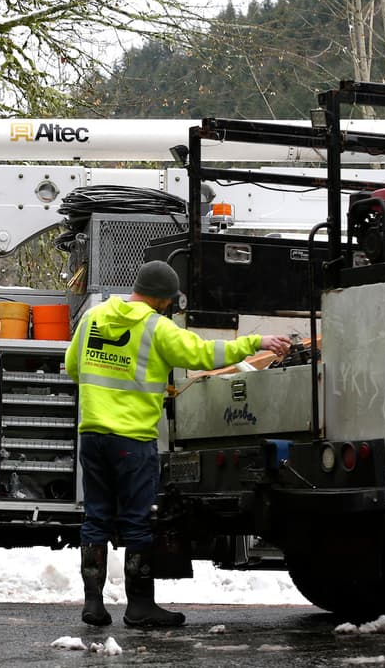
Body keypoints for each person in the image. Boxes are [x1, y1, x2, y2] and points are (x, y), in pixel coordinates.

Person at [65, 260, 292, 628]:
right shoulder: (156, 327)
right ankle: (140, 606)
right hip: (133, 440)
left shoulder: (94, 316)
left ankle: (93, 604)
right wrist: (256, 342)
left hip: (92, 437)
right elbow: (203, 354)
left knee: (96, 518)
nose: (169, 305)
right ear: (160, 298)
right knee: (137, 522)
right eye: (169, 299)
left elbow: (73, 367)